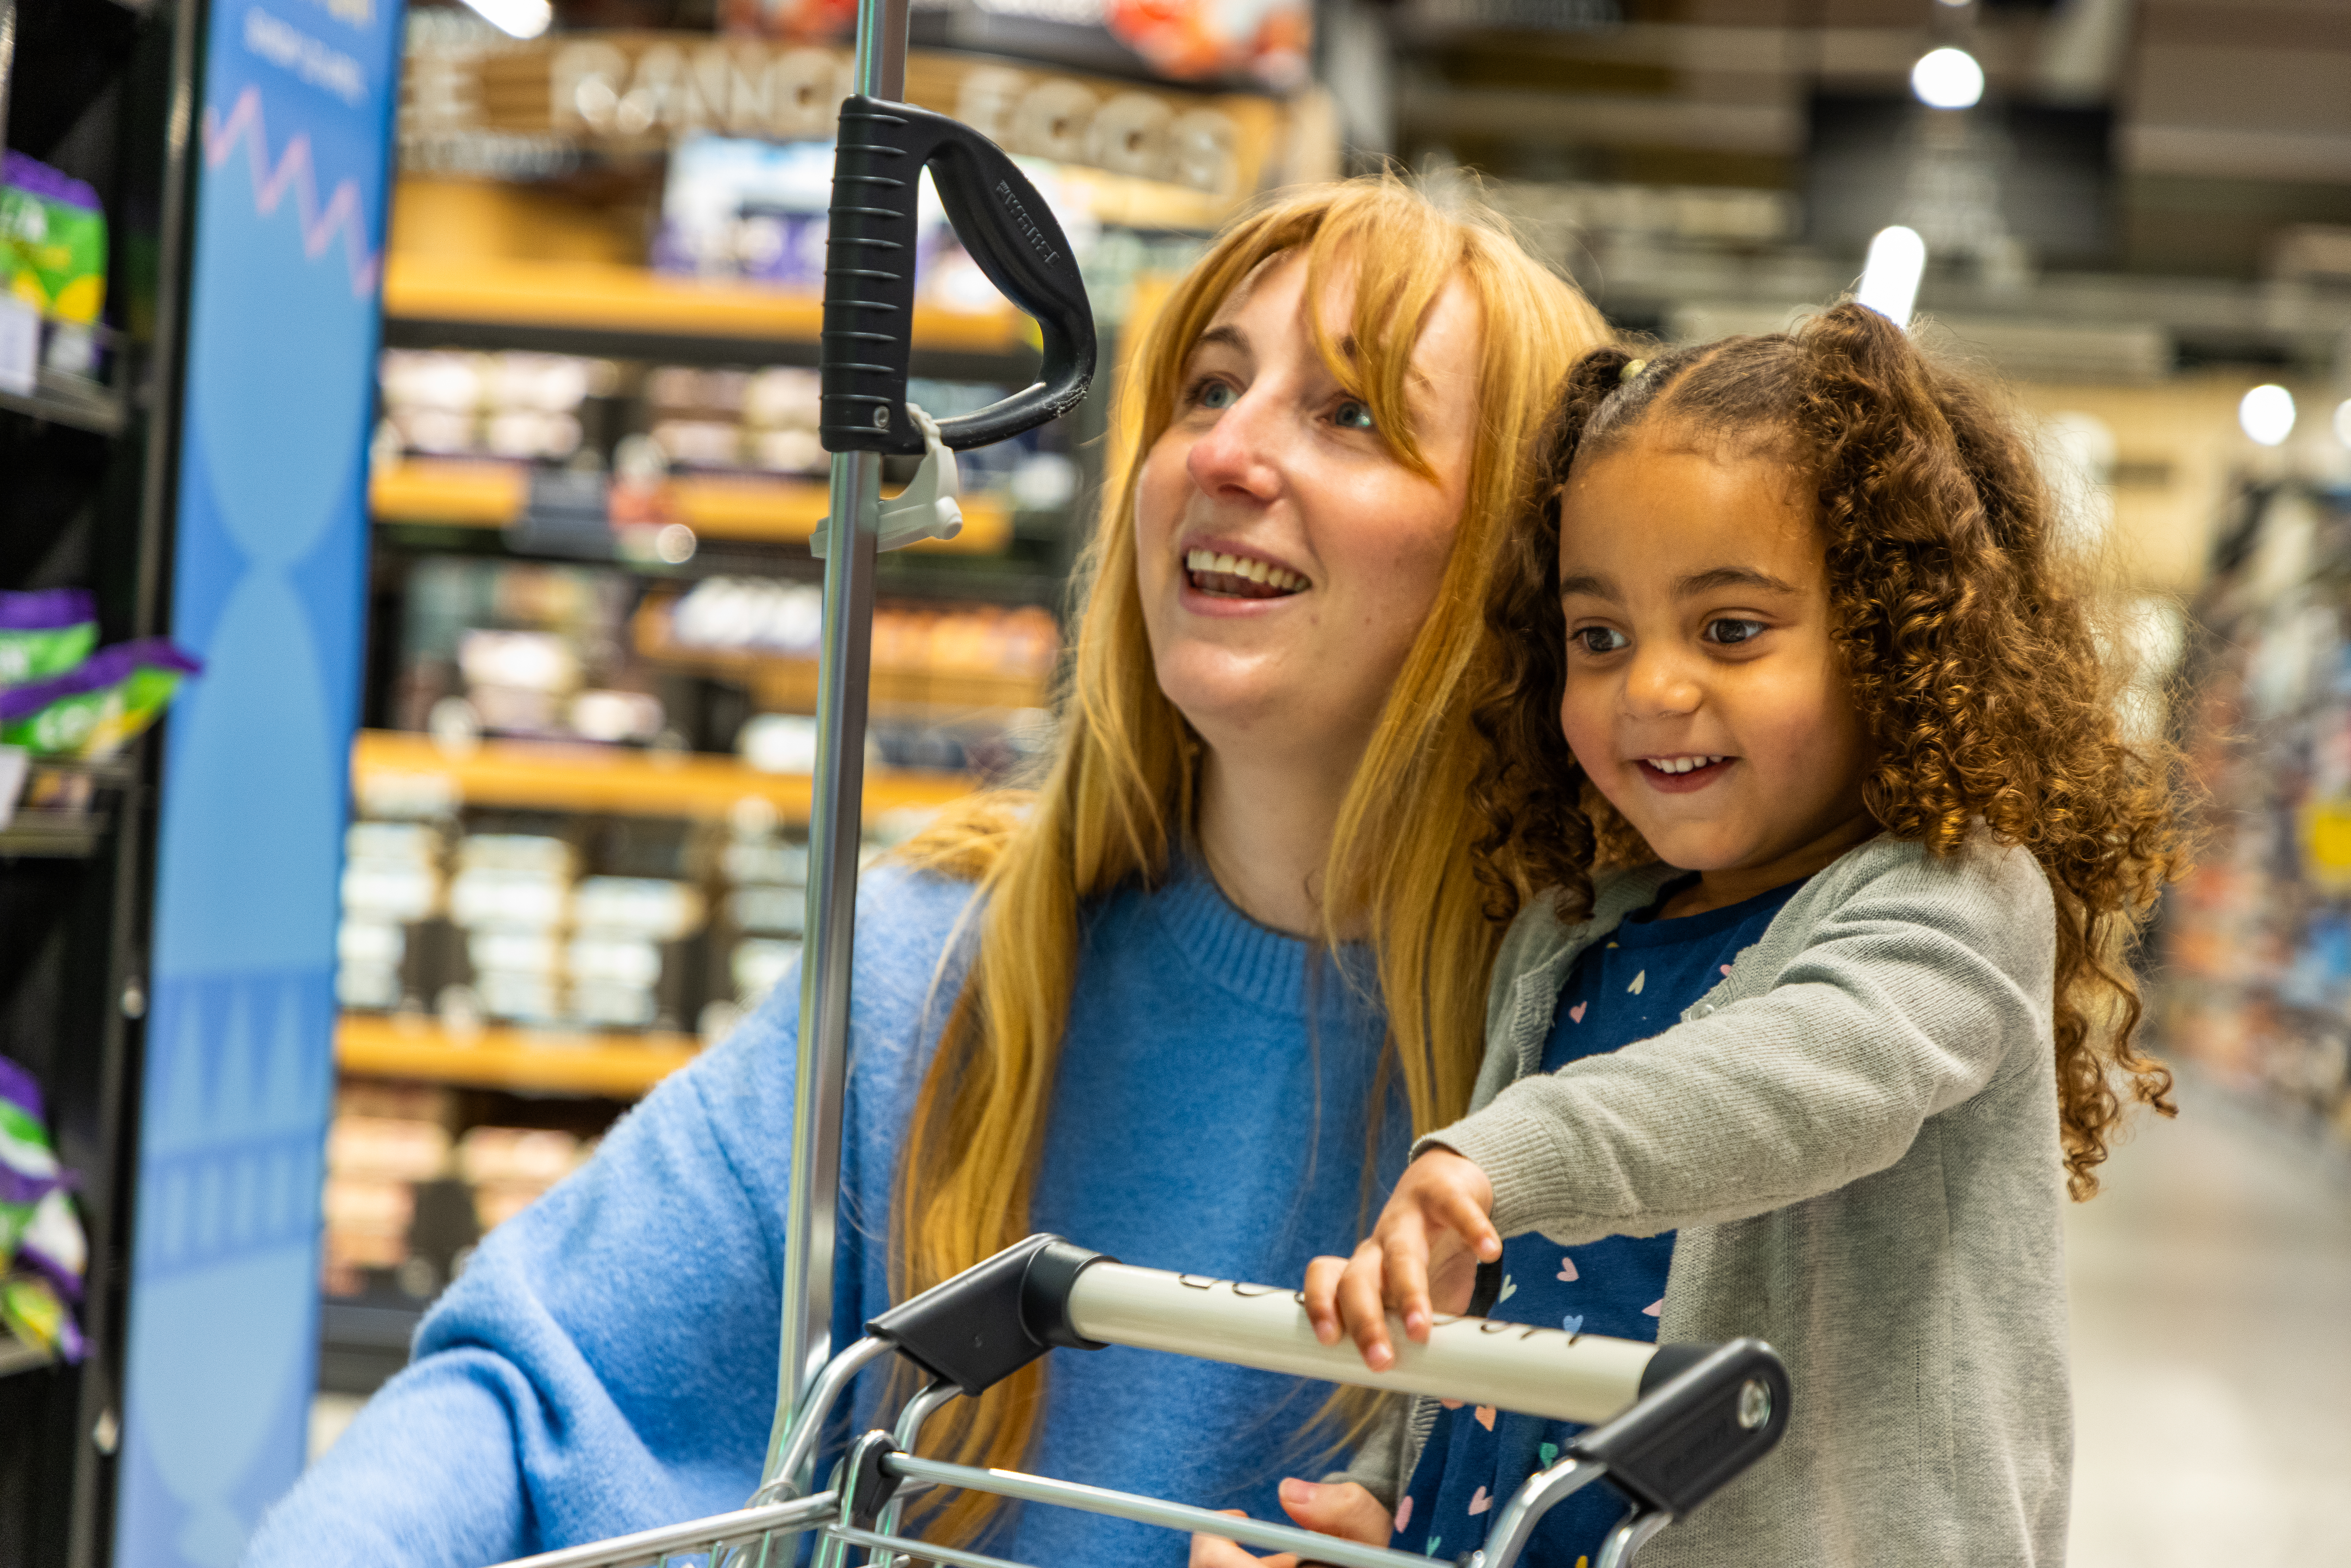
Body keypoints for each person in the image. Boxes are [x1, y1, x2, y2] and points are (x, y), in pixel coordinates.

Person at [241, 178, 1609, 1568]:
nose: (1227, 453)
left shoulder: (1623, 1054)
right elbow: (532, 1385)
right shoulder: (939, 959)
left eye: (1352, 413)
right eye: (1205, 388)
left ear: (1514, 555)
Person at [1193, 304, 2186, 1568]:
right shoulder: (1569, 939)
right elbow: (1488, 1307)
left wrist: (1499, 1158)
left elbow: (1799, 1078)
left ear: (1886, 643)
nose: (1649, 687)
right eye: (1597, 636)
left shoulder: (1949, 899)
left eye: (1729, 628)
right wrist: (1384, 1502)